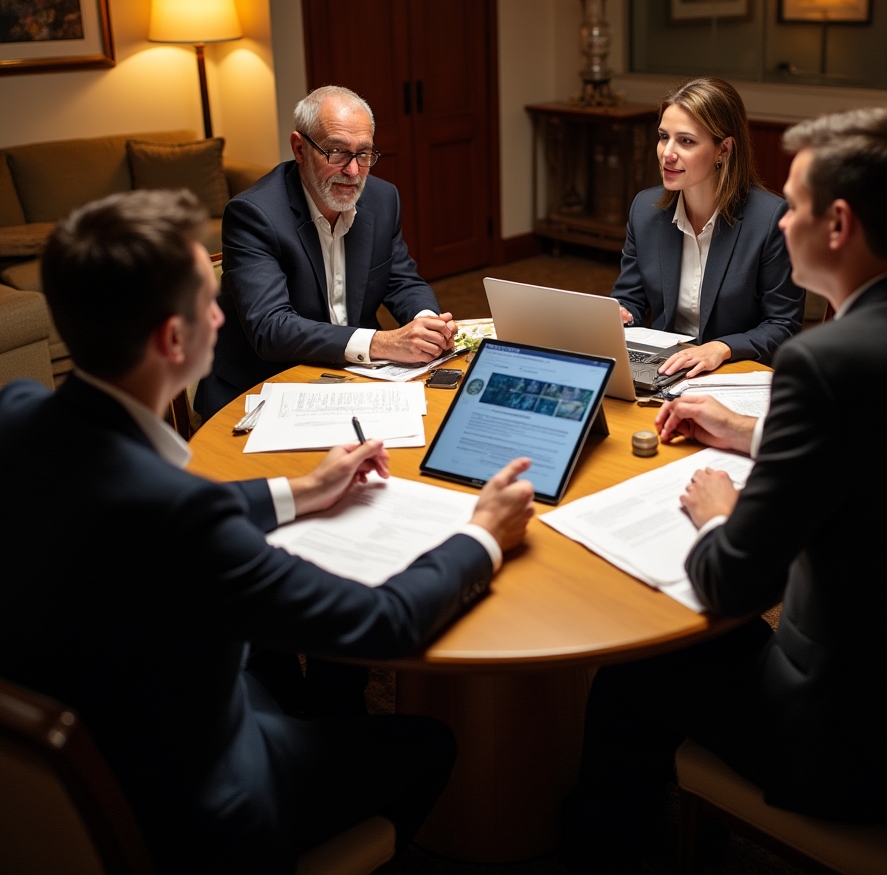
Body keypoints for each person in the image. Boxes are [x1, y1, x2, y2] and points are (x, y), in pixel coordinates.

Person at [0, 189, 535, 875]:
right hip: (193, 809)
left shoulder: (17, 411)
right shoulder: (185, 519)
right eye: (209, 301)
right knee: (427, 745)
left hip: (78, 738)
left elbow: (138, 506)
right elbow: (385, 623)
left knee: (279, 678)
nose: (224, 316)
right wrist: (484, 534)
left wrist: (301, 490)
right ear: (173, 339)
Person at [565, 108, 887, 873]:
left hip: (851, 745)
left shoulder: (824, 363)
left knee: (628, 676)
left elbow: (733, 580)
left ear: (838, 224)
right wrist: (747, 435)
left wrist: (718, 514)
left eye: (798, 207)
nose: (781, 226)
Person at [195, 85, 456, 419]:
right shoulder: (254, 214)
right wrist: (383, 343)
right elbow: (272, 328)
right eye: (336, 152)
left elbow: (402, 280)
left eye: (364, 154)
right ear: (300, 148)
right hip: (264, 386)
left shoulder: (382, 198)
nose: (352, 171)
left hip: (352, 378)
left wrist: (426, 324)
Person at [611, 77, 804, 378]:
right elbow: (631, 300)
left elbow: (783, 326)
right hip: (662, 369)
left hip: (732, 371)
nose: (668, 153)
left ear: (723, 150)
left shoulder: (770, 220)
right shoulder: (644, 211)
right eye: (664, 137)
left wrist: (721, 348)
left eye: (686, 141)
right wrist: (622, 314)